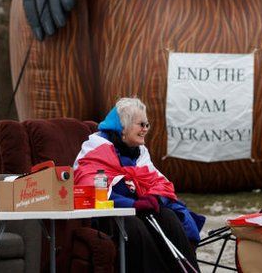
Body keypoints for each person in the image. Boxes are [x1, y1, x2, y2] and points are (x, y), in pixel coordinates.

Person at [74, 97, 204, 272]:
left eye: (147, 125)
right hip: (108, 214)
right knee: (134, 226)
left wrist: (154, 197)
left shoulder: (140, 152)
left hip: (136, 210)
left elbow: (158, 181)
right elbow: (93, 190)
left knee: (168, 217)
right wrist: (133, 204)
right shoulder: (95, 148)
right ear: (123, 128)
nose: (145, 130)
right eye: (141, 124)